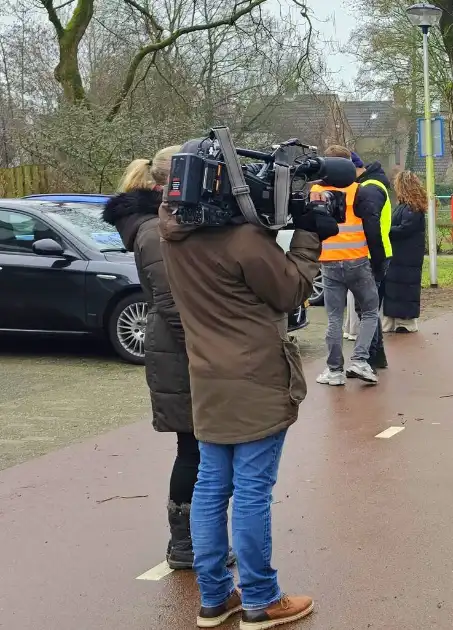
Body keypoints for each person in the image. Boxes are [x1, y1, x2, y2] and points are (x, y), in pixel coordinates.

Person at [157, 137, 336, 628]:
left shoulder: (172, 237)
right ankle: (261, 598)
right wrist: (307, 233)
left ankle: (216, 597)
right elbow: (292, 290)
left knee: (211, 487)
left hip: (208, 380)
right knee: (253, 492)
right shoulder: (242, 242)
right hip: (255, 379)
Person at [102, 148, 235, 571]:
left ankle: (194, 540)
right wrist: (206, 348)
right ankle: (186, 543)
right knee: (194, 448)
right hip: (181, 351)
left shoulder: (156, 225)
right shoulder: (153, 231)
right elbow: (174, 302)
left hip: (181, 347)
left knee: (196, 446)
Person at [313, 145, 385, 386]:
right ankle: (360, 361)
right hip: (357, 260)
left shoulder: (315, 191)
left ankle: (334, 370)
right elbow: (372, 228)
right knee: (370, 311)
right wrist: (379, 262)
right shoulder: (359, 191)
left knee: (334, 318)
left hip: (329, 263)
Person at [350, 150, 394, 368]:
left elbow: (372, 226)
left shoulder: (370, 188)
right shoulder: (374, 184)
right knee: (369, 309)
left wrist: (376, 259)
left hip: (371, 255)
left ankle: (370, 357)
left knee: (366, 310)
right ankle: (377, 356)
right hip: (377, 253)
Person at [383, 170, 428, 332]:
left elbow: (404, 229)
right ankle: (399, 321)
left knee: (401, 288)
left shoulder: (411, 208)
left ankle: (404, 322)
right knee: (400, 288)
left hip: (404, 257)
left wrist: (385, 230)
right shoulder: (410, 206)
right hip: (405, 256)